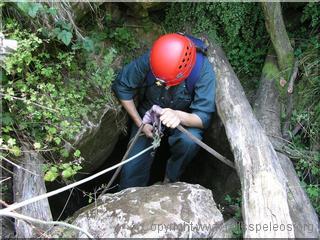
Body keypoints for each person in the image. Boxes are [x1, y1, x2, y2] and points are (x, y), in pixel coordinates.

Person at [112, 33, 216, 190]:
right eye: (160, 82)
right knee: (130, 170)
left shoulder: (202, 70)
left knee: (190, 140)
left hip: (183, 118)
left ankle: (170, 182)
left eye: (169, 82)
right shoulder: (153, 59)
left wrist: (178, 116)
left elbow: (203, 118)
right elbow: (122, 85)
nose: (165, 86)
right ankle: (129, 195)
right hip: (150, 117)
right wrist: (140, 123)